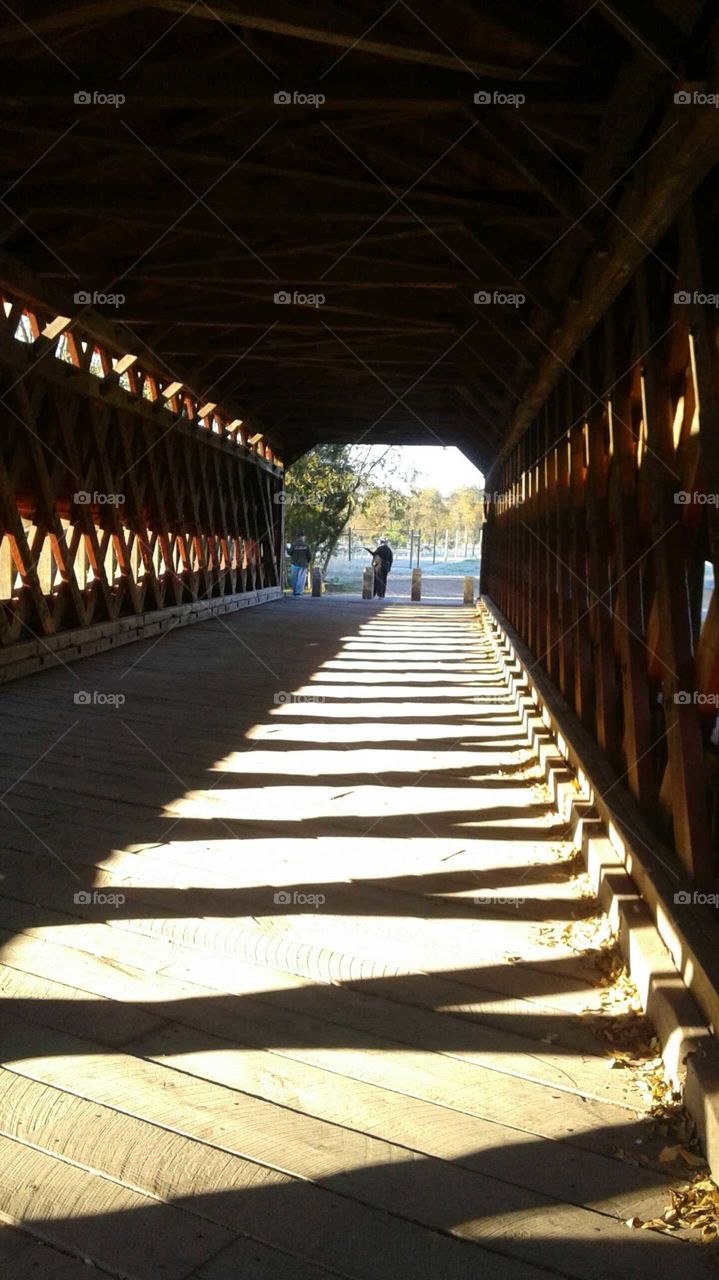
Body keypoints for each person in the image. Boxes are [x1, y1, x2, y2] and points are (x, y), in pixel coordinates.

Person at [287, 532, 311, 596]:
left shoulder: (294, 545)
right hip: (303, 564)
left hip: (294, 564)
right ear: (303, 537)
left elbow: (289, 552)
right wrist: (307, 562)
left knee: (294, 578)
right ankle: (299, 592)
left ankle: (294, 592)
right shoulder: (306, 546)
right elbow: (309, 556)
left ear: (297, 537)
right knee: (301, 579)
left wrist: (287, 548)